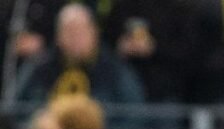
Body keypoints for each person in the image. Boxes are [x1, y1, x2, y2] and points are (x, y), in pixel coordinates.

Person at [14, 4, 145, 106]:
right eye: (70, 32)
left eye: (81, 31)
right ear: (58, 37)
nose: (76, 39)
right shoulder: (39, 69)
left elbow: (134, 115)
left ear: (94, 33)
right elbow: (14, 110)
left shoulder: (115, 71)